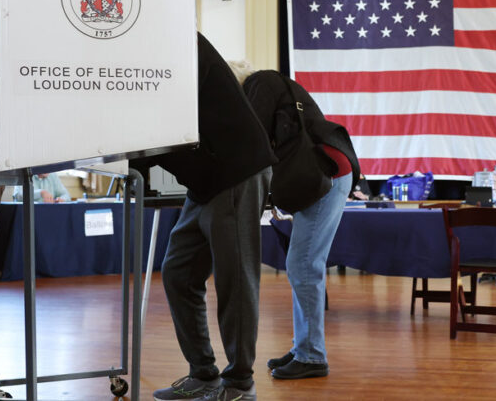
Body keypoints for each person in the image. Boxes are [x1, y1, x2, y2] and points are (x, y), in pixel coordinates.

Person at [146, 35, 275, 401]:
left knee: (235, 279)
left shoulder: (178, 38)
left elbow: (160, 111)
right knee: (178, 271)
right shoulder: (148, 45)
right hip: (206, 177)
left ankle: (239, 383)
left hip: (235, 170)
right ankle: (203, 374)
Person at [232, 64, 360, 381]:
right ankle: (304, 346)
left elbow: (253, 142)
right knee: (301, 264)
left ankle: (312, 356)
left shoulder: (260, 83)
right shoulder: (274, 84)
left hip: (325, 175)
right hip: (325, 172)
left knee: (303, 264)